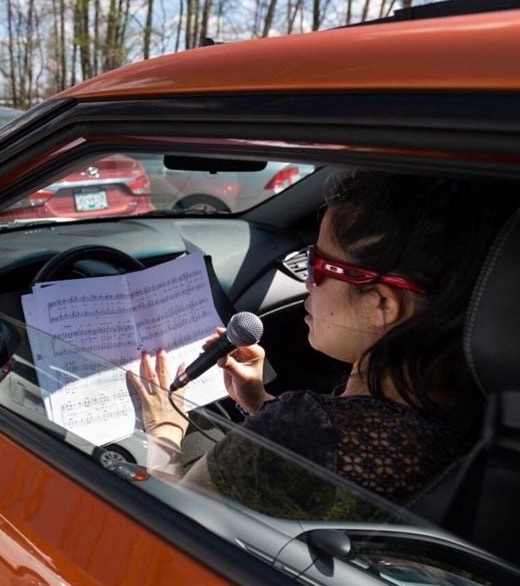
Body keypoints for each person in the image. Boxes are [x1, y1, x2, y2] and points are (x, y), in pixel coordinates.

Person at [129, 171, 517, 509]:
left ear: (382, 303)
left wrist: (163, 429)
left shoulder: (304, 433)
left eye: (317, 266)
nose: (305, 283)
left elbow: (169, 525)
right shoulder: (479, 409)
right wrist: (259, 403)